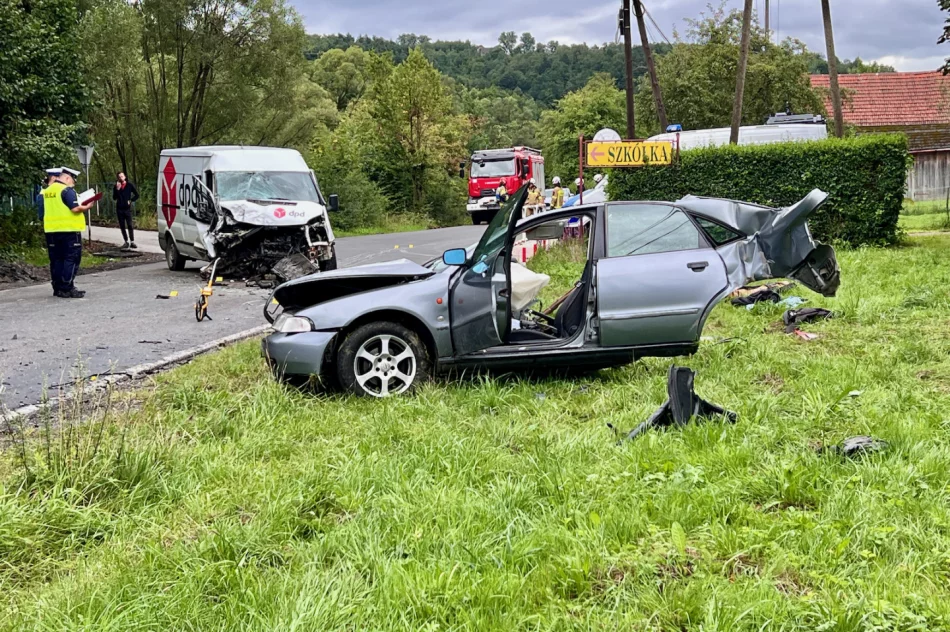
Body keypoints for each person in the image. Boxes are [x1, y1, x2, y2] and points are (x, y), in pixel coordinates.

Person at [43, 168, 94, 298]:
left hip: (51, 231)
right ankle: (67, 287)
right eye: (73, 181)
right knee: (71, 258)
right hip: (69, 230)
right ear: (67, 178)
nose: (73, 184)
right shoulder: (66, 190)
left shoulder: (48, 191)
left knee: (56, 260)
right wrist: (88, 206)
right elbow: (75, 208)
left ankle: (58, 287)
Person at [113, 171, 140, 249]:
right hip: (119, 208)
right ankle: (126, 241)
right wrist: (117, 189)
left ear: (125, 177)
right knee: (122, 226)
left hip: (127, 208)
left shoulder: (129, 185)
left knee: (130, 225)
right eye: (119, 177)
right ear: (117, 178)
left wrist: (131, 200)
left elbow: (137, 195)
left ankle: (132, 241)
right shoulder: (116, 186)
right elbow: (114, 197)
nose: (121, 178)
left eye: (122, 176)